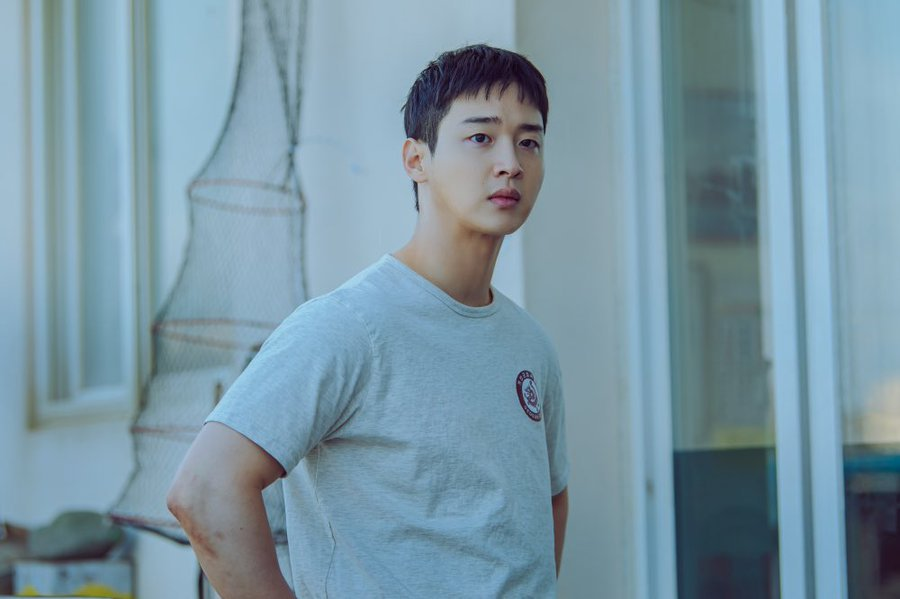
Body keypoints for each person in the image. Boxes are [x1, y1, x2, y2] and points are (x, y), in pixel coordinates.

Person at [167, 43, 569, 598]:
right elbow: (205, 489)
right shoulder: (347, 327)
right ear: (416, 160)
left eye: (529, 141)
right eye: (481, 137)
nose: (511, 163)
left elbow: (548, 500)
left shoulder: (530, 345)